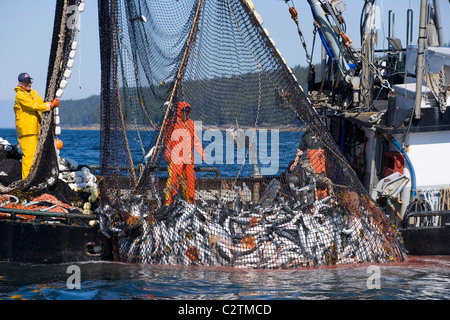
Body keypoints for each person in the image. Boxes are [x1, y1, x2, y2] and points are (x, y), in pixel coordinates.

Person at [13, 73, 59, 179]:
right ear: (20, 84)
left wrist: (51, 103)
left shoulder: (34, 92)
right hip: (27, 131)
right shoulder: (20, 95)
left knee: (38, 156)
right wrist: (50, 105)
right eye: (26, 82)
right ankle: (26, 180)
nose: (29, 84)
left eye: (30, 81)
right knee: (29, 156)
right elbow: (33, 106)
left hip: (37, 129)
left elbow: (41, 103)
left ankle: (36, 178)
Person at [164, 101, 205, 205]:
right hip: (176, 157)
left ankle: (191, 203)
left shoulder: (191, 123)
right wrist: (167, 153)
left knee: (190, 181)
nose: (185, 113)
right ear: (179, 111)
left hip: (188, 158)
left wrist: (201, 153)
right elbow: (166, 140)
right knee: (173, 180)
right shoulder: (171, 122)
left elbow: (195, 140)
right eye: (183, 111)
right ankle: (169, 203)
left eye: (187, 111)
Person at [289, 130, 329, 199]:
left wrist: (295, 162)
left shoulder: (325, 133)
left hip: (321, 164)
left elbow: (300, 150)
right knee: (314, 182)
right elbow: (301, 149)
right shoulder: (309, 134)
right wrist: (295, 162)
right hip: (313, 165)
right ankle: (316, 200)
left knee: (322, 182)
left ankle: (321, 199)